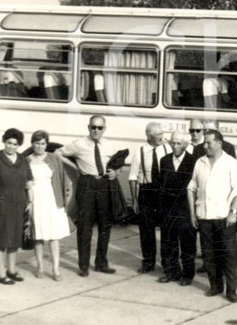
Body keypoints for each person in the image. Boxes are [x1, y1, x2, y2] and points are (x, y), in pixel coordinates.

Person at [56, 115, 121, 277]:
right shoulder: (79, 144)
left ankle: (101, 263)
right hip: (87, 184)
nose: (96, 130)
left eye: (100, 128)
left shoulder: (109, 145)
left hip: (104, 184)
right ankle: (83, 266)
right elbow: (58, 153)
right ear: (88, 128)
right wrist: (76, 167)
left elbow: (116, 165)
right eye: (93, 127)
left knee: (105, 226)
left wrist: (116, 172)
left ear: (104, 129)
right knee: (85, 226)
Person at [187, 129, 237, 303]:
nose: (205, 146)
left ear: (219, 143)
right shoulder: (200, 163)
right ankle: (215, 286)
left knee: (228, 255)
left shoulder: (231, 163)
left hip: (224, 218)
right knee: (209, 255)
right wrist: (192, 214)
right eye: (204, 143)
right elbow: (191, 188)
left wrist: (233, 212)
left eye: (208, 142)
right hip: (204, 216)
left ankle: (231, 290)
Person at [0, 128, 33, 285]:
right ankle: (0, 273)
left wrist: (31, 202)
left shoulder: (23, 160)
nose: (11, 146)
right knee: (0, 238)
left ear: (19, 145)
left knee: (15, 238)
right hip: (0, 203)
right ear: (4, 141)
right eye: (9, 143)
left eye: (15, 144)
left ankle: (11, 270)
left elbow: (29, 182)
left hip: (19, 203)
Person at [128, 122, 171, 274]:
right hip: (146, 192)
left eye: (161, 135)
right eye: (158, 136)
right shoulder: (140, 151)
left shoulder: (167, 149)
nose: (161, 138)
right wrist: (134, 201)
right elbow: (132, 177)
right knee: (146, 230)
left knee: (166, 229)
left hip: (162, 193)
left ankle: (167, 263)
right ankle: (148, 262)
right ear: (149, 136)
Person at [27, 130, 70, 281]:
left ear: (47, 144)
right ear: (32, 144)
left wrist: (64, 202)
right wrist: (27, 203)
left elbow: (63, 179)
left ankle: (56, 269)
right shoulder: (26, 160)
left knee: (53, 235)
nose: (39, 146)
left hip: (51, 198)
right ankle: (40, 266)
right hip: (34, 199)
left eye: (43, 143)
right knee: (37, 235)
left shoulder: (53, 158)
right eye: (37, 143)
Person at [159, 131, 197, 285]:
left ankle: (188, 275)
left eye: (178, 143)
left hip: (185, 209)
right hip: (167, 209)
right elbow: (160, 183)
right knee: (168, 242)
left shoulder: (194, 161)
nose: (175, 146)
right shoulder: (164, 160)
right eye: (172, 143)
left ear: (186, 144)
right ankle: (171, 272)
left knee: (187, 244)